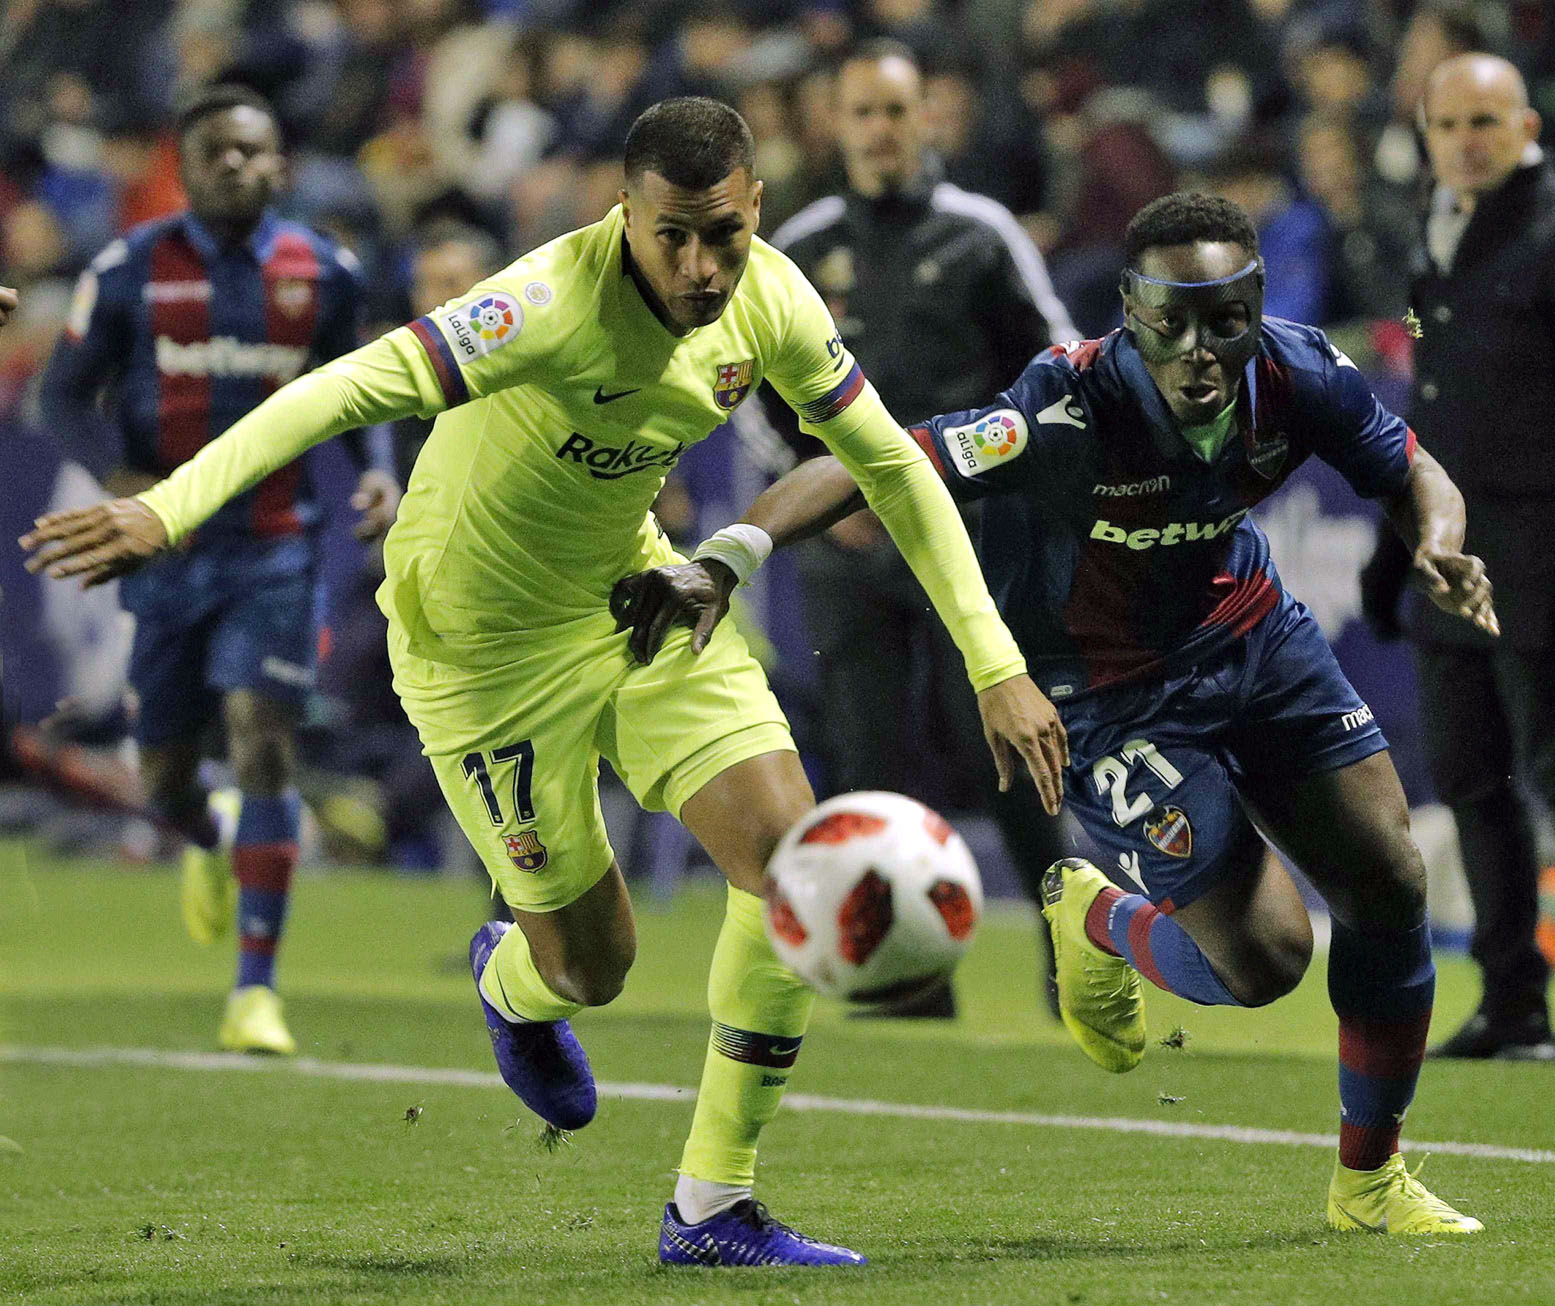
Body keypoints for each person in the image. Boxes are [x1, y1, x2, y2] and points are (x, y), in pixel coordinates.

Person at [22, 96, 1065, 1269]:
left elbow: (890, 464)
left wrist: (997, 665)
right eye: (670, 234)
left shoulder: (773, 293)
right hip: (479, 645)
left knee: (791, 859)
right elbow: (346, 387)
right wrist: (165, 506)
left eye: (721, 232)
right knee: (592, 966)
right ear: (624, 212)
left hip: (633, 597)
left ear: (754, 206)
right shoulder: (545, 305)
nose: (699, 264)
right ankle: (517, 984)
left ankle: (712, 1207)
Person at [619, 191, 1498, 1235]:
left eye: (1222, 317)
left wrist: (1438, 539)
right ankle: (1098, 917)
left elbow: (1408, 468)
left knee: (1390, 876)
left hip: (1253, 638)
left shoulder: (1298, 371)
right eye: (1168, 319)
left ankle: (1368, 1181)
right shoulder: (1060, 408)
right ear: (1129, 312)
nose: (1198, 349)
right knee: (1263, 962)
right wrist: (729, 555)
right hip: (1106, 695)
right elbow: (876, 457)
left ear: (1254, 305)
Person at [35, 85, 402, 1057]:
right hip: (169, 550)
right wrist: (125, 482)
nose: (238, 165)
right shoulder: (128, 269)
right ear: (187, 168)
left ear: (280, 162)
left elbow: (367, 389)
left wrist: (376, 478)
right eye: (218, 153)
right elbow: (61, 395)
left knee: (263, 734)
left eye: (255, 150)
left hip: (278, 547)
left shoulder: (323, 271)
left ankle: (254, 991)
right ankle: (210, 831)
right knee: (162, 778)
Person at [764, 39, 1077, 1017]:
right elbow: (756, 389)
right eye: (861, 112)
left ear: (925, 119)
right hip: (847, 544)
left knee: (1003, 744)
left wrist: (984, 483)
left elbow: (1056, 367)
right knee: (863, 755)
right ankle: (901, 976)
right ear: (837, 123)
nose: (879, 131)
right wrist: (814, 492)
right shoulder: (803, 247)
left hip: (966, 536)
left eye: (895, 112)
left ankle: (1071, 948)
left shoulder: (979, 233)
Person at [1370, 53, 1555, 1063]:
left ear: (1526, 123)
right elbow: (1427, 407)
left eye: (1484, 121)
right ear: (1425, 131)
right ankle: (1511, 1002)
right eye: (1447, 124)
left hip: (1544, 550)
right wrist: (1389, 535)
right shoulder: (1435, 229)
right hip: (1451, 553)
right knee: (1470, 780)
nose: (1465, 140)